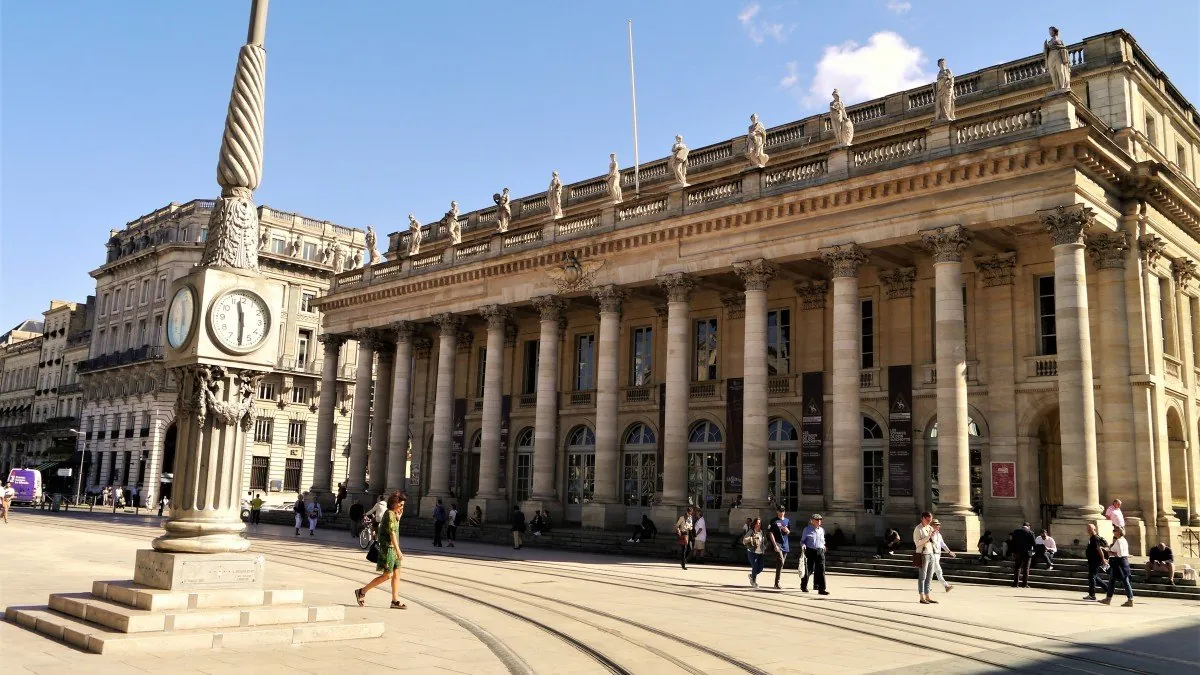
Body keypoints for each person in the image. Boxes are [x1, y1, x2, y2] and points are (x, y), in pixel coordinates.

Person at [354, 491, 407, 610]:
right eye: (401, 504)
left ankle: (395, 600)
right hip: (388, 549)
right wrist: (398, 551)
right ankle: (362, 591)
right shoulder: (389, 514)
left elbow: (395, 527)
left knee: (397, 574)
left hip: (393, 548)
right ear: (394, 503)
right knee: (388, 575)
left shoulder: (394, 514)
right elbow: (392, 533)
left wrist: (399, 516)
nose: (402, 507)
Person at [1100, 525, 1134, 606]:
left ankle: (1128, 599)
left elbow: (1119, 554)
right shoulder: (1124, 540)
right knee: (1118, 581)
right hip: (1123, 562)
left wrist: (1109, 552)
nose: (1113, 531)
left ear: (1119, 532)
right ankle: (1128, 599)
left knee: (1122, 581)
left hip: (1118, 563)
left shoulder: (1119, 541)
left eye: (1115, 530)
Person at [800, 514, 828, 595]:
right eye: (817, 520)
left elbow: (823, 540)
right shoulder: (807, 529)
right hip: (810, 551)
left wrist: (824, 546)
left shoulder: (821, 530)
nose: (819, 521)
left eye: (820, 520)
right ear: (812, 521)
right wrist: (803, 545)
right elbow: (802, 541)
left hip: (820, 551)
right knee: (809, 569)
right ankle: (804, 586)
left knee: (821, 569)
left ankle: (821, 589)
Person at [914, 512, 937, 604]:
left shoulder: (930, 528)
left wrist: (933, 537)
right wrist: (928, 537)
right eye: (927, 520)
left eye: (930, 520)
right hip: (923, 553)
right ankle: (921, 596)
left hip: (931, 552)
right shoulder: (918, 529)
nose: (929, 522)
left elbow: (933, 541)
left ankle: (927, 595)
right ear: (922, 518)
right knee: (922, 576)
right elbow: (917, 543)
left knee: (930, 576)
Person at [1083, 523, 1109, 601]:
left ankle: (1092, 595)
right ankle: (1107, 589)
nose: (1088, 530)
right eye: (1087, 528)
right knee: (1094, 577)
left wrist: (1103, 559)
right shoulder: (1091, 538)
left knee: (1092, 577)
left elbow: (1099, 549)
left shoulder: (1095, 538)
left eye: (1089, 528)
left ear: (1094, 529)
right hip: (1092, 560)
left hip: (1095, 561)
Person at [767, 507, 791, 590]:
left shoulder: (787, 520)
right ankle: (777, 583)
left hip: (785, 544)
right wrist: (775, 545)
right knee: (780, 561)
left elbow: (789, 531)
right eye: (780, 511)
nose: (781, 513)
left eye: (783, 511)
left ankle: (776, 582)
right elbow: (770, 533)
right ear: (777, 511)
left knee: (781, 564)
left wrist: (787, 531)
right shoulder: (774, 521)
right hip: (777, 544)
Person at [930, 519, 955, 594]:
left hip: (938, 555)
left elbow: (943, 544)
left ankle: (927, 586)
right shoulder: (930, 534)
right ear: (932, 525)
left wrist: (949, 552)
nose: (938, 526)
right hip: (933, 554)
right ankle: (946, 586)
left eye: (938, 525)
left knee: (932, 572)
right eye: (936, 525)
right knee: (938, 571)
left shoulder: (939, 535)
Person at [1009, 523, 1036, 588]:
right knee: (1026, 568)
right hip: (1027, 553)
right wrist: (1034, 551)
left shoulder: (1016, 531)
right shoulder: (1030, 532)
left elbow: (1012, 542)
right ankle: (1024, 584)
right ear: (1028, 526)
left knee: (1017, 567)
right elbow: (1034, 543)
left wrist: (1012, 551)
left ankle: (1015, 584)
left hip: (1017, 552)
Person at [742, 517, 766, 588]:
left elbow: (765, 541)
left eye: (760, 523)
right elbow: (744, 540)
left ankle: (751, 576)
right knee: (755, 567)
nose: (759, 524)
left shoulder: (762, 532)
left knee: (760, 568)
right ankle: (754, 582)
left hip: (760, 552)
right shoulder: (751, 531)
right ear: (754, 524)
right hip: (752, 552)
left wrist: (764, 547)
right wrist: (752, 538)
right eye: (757, 523)